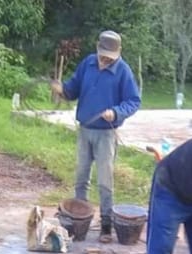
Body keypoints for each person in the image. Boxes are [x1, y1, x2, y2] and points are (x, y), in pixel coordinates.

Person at [51, 31, 142, 243]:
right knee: (81, 177)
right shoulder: (88, 63)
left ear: (117, 53)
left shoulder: (123, 71)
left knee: (104, 180)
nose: (105, 59)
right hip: (85, 130)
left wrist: (117, 112)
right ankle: (79, 220)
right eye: (102, 55)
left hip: (106, 134)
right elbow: (72, 89)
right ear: (97, 49)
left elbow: (133, 101)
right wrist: (61, 90)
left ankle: (106, 224)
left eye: (109, 56)